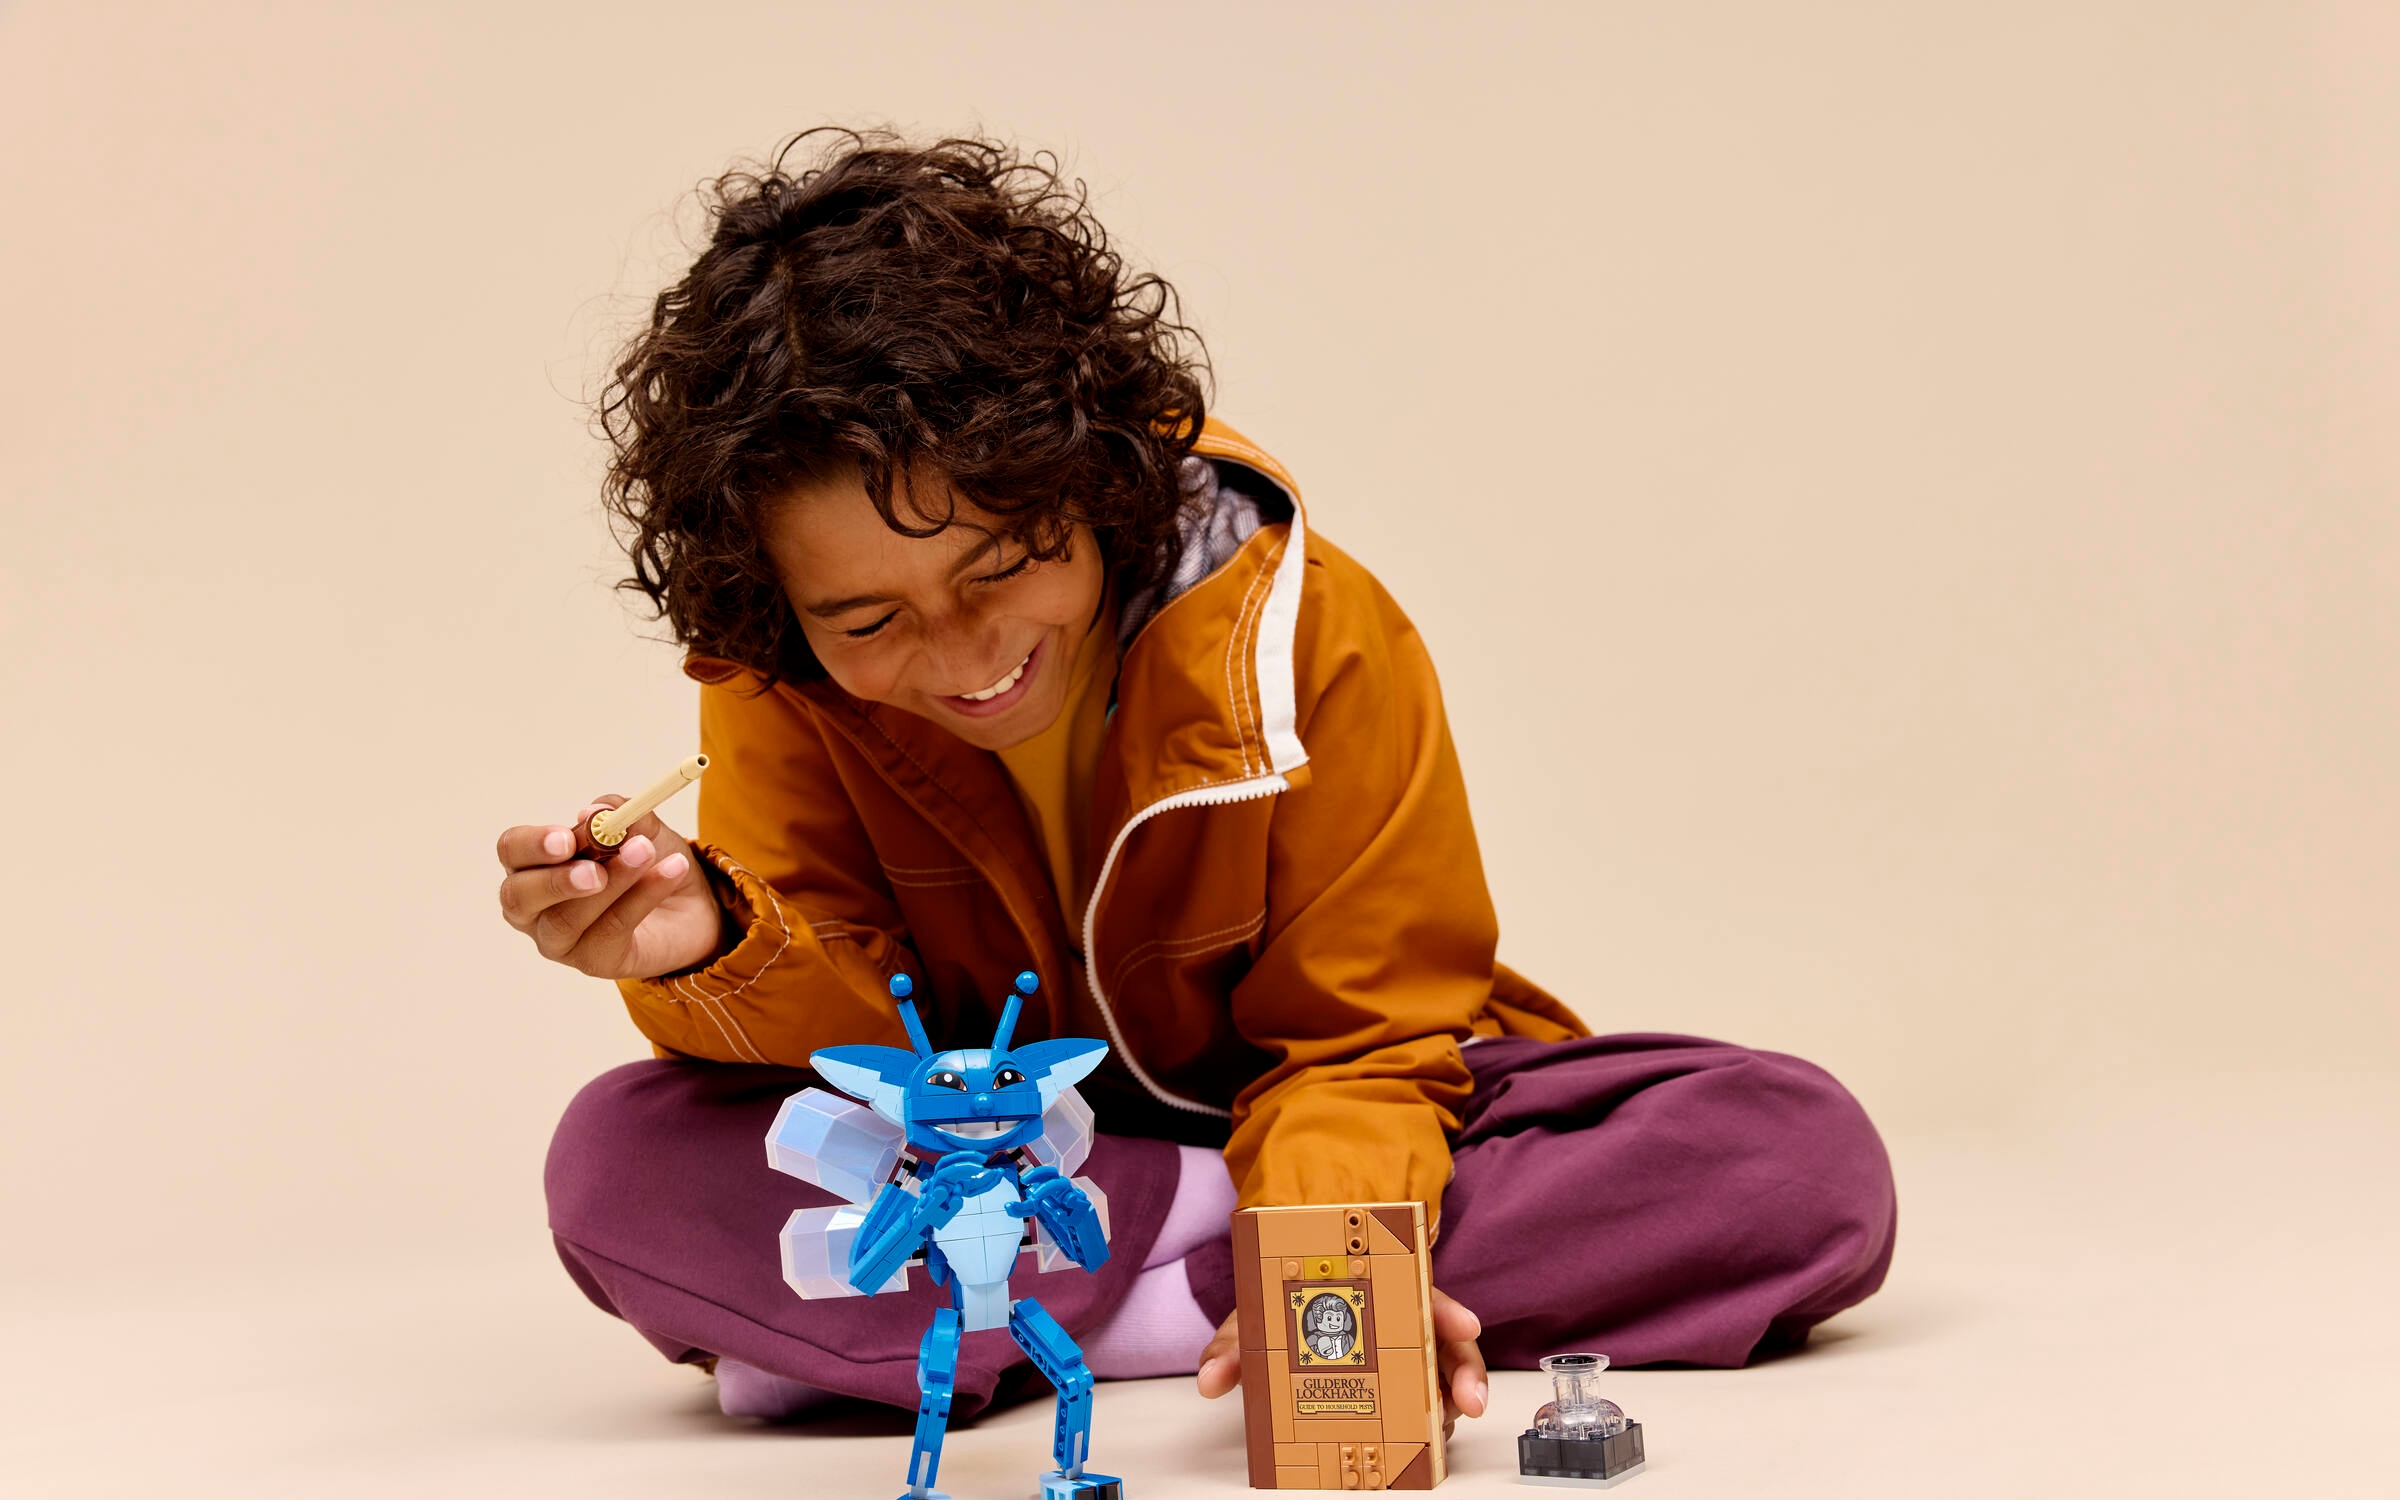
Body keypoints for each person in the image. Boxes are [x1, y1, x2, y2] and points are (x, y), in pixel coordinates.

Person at [499, 130, 1896, 1434]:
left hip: (1334, 1117)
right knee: (618, 1166)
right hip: (990, 1154)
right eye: (869, 620)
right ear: (784, 606)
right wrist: (717, 947)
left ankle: (1026, 1317)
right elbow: (857, 1069)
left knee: (1792, 1160)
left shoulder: (1306, 630)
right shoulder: (779, 677)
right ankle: (1213, 1285)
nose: (968, 657)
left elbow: (1365, 1047)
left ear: (1091, 475)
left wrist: (1331, 1221)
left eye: (1002, 564)